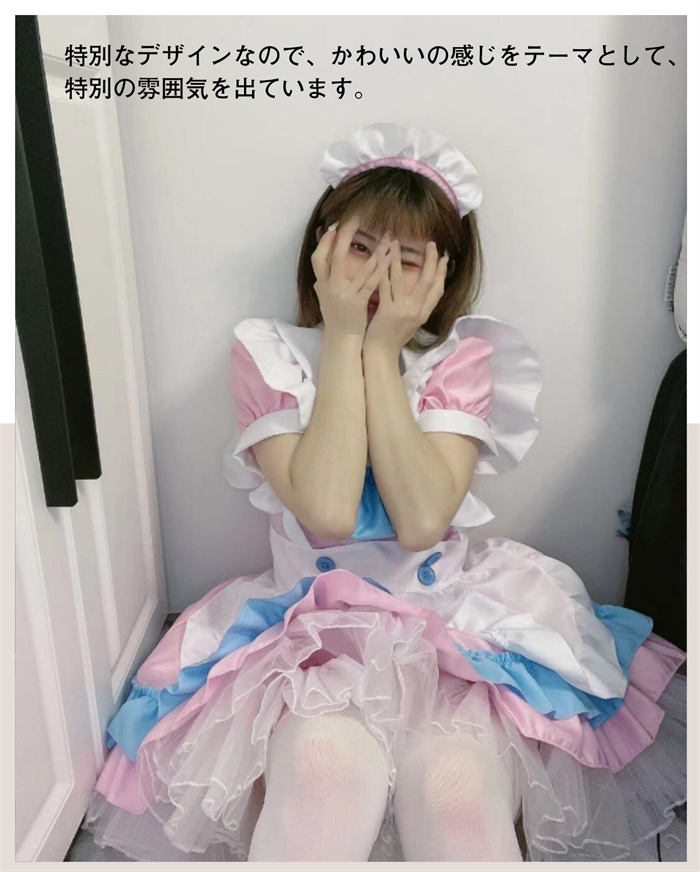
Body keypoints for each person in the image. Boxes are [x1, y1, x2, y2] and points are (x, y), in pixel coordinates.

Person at [81, 122, 686, 863]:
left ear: (442, 276)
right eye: (362, 248)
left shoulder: (460, 361)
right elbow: (328, 511)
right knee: (324, 776)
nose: (377, 278)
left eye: (409, 261)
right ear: (322, 248)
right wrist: (344, 338)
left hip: (453, 631)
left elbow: (423, 519)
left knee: (457, 794)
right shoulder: (270, 354)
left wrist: (381, 349)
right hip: (307, 641)